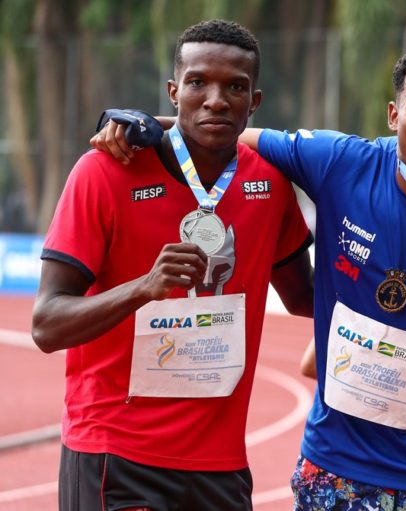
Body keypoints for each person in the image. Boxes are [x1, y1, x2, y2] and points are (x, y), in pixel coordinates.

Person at [92, 41, 406, 510]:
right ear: (394, 115)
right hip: (336, 471)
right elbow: (223, 132)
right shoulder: (343, 162)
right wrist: (143, 125)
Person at [32, 19, 314, 511]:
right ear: (173, 91)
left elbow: (305, 297)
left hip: (220, 466)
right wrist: (143, 288)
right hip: (115, 453)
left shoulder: (269, 184)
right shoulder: (104, 171)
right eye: (198, 82)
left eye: (235, 87)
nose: (216, 99)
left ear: (255, 103)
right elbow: (46, 324)